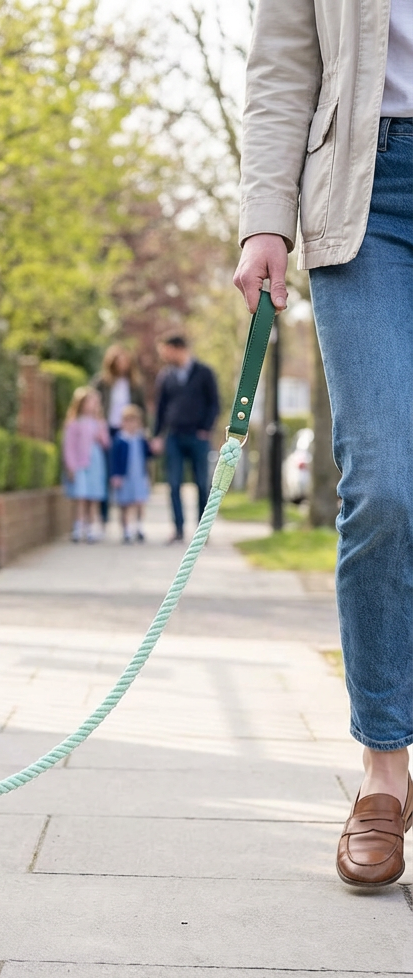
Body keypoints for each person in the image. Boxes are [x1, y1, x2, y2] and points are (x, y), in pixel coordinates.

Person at [233, 1, 411, 887]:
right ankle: (384, 773)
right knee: (384, 485)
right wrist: (266, 217)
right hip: (366, 191)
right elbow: (281, 70)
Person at [150, 335, 220, 543]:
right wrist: (157, 436)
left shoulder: (204, 373)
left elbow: (214, 403)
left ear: (178, 349)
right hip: (174, 436)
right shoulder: (166, 376)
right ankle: (178, 529)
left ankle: (202, 532)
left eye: (166, 351)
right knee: (173, 483)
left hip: (198, 436)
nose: (164, 356)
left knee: (201, 483)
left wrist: (206, 428)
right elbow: (160, 409)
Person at [92, 345, 147, 527]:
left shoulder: (134, 385)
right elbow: (94, 404)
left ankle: (130, 520)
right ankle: (104, 516)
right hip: (108, 430)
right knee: (108, 472)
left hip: (129, 431)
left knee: (130, 472)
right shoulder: (102, 382)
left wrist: (143, 430)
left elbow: (142, 409)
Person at [62, 386, 110, 544]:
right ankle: (78, 526)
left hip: (95, 464)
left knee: (93, 497)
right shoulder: (74, 424)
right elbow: (69, 446)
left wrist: (100, 427)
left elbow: (106, 444)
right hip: (80, 464)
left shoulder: (99, 423)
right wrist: (71, 466)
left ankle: (91, 527)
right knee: (81, 496)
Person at [109, 405, 152, 544]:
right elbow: (114, 459)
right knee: (124, 503)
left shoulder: (141, 439)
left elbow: (148, 454)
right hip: (124, 477)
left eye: (134, 421)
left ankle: (139, 527)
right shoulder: (120, 440)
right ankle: (126, 530)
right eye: (128, 421)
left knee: (139, 502)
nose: (131, 425)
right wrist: (115, 475)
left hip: (139, 475)